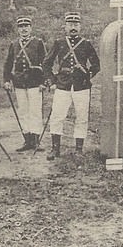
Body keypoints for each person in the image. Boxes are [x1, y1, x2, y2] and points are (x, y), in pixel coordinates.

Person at [41, 12, 100, 159]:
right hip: (63, 84)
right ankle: (55, 149)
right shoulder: (59, 43)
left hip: (82, 86)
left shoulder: (86, 44)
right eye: (70, 25)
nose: (73, 27)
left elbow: (96, 65)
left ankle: (79, 149)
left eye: (76, 25)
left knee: (82, 117)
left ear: (80, 27)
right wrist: (52, 80)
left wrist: (87, 75)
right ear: (65, 27)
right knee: (57, 116)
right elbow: (46, 63)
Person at [3, 16, 49, 152]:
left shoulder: (38, 43)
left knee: (35, 111)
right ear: (18, 29)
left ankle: (36, 140)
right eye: (21, 27)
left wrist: (44, 81)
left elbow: (45, 63)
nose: (24, 29)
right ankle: (27, 140)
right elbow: (8, 64)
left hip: (35, 81)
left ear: (31, 28)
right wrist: (7, 80)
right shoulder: (14, 44)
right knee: (23, 111)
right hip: (19, 82)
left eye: (26, 26)